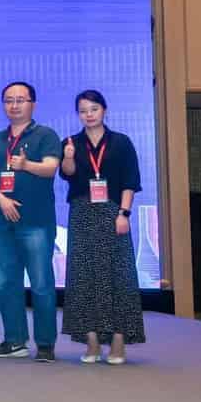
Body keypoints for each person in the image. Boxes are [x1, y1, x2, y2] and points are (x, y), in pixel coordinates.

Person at [59, 90, 145, 364]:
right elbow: (68, 174)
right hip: (82, 213)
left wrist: (124, 213)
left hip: (112, 212)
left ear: (104, 110)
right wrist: (68, 157)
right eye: (83, 111)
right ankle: (92, 341)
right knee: (84, 277)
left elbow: (130, 181)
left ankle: (118, 340)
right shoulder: (71, 142)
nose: (89, 115)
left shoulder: (121, 142)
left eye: (94, 109)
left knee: (118, 275)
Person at [0, 81, 62, 363]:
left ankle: (45, 344)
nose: (14, 105)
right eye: (8, 100)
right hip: (2, 222)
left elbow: (51, 168)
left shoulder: (45, 135)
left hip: (36, 222)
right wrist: (2, 200)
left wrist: (26, 165)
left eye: (20, 100)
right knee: (5, 283)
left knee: (41, 284)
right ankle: (15, 340)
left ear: (33, 104)